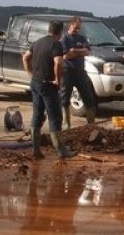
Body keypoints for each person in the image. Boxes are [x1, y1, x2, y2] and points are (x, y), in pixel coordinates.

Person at [22, 20, 75, 159]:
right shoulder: (56, 44)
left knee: (37, 115)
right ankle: (61, 151)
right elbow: (58, 62)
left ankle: (36, 150)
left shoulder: (37, 42)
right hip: (48, 85)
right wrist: (58, 80)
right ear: (61, 32)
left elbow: (26, 57)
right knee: (55, 117)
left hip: (36, 83)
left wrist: (30, 74)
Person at [60, 16, 97, 128]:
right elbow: (66, 55)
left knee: (89, 97)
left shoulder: (82, 38)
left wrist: (74, 50)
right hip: (67, 71)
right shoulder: (64, 39)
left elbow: (88, 52)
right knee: (64, 98)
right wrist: (79, 52)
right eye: (75, 27)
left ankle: (91, 124)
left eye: (79, 28)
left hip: (80, 71)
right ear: (69, 26)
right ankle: (66, 124)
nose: (77, 30)